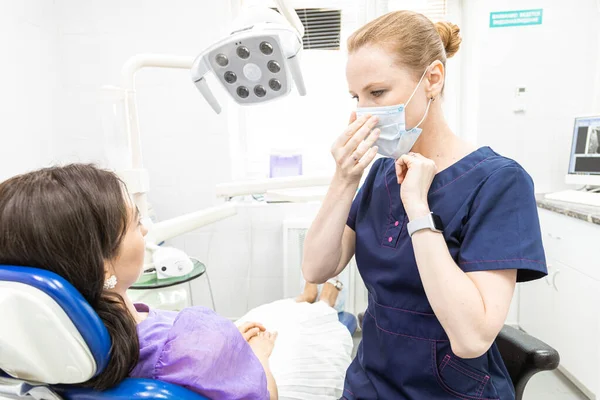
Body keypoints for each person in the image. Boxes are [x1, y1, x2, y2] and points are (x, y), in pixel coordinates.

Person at [302, 10, 547, 400]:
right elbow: (316, 268)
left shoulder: (499, 181)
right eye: (356, 97)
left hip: (448, 390)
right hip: (371, 381)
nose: (365, 111)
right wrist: (344, 177)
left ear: (432, 79)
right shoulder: (381, 173)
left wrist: (418, 210)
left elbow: (471, 338)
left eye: (377, 93)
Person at [0, 164, 353, 400]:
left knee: (266, 317)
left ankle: (307, 295)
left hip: (212, 352)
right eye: (136, 222)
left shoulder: (39, 350)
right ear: (103, 261)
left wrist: (222, 347)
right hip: (251, 362)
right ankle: (320, 302)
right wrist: (258, 356)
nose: (147, 229)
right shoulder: (190, 340)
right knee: (298, 323)